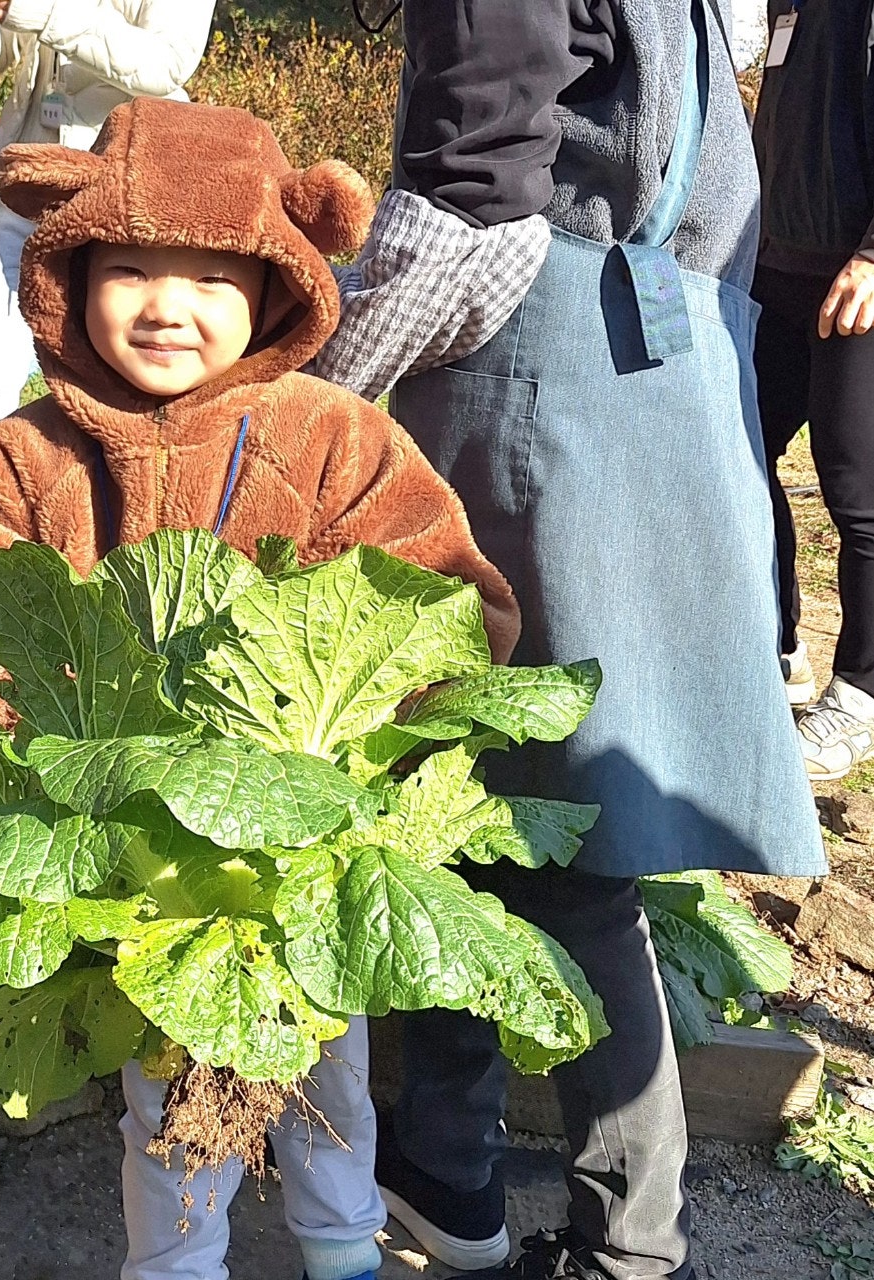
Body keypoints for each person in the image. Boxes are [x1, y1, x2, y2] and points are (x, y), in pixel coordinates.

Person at [0, 96, 523, 1280]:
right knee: (167, 1098)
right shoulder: (30, 452)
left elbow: (454, 604)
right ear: (66, 274)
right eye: (128, 270)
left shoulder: (336, 438)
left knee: (328, 1070)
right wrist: (35, 715)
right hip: (139, 872)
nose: (168, 308)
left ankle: (341, 1249)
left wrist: (361, 724)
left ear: (278, 291)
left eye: (213, 280)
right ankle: (172, 1267)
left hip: (303, 858)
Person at [316, 3, 826, 1279]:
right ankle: (453, 1174)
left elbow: (467, 205)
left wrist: (309, 397)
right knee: (493, 817)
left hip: (537, 405)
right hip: (655, 377)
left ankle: (627, 1245)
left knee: (536, 837)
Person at [0, 0, 216, 532]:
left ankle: (118, 545)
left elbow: (166, 64)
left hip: (119, 198)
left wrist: (29, 6)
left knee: (118, 383)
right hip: (24, 187)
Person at [751, 0, 874, 780]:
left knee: (855, 490)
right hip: (775, 262)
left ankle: (859, 695)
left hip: (855, 276)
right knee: (737, 454)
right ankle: (778, 645)